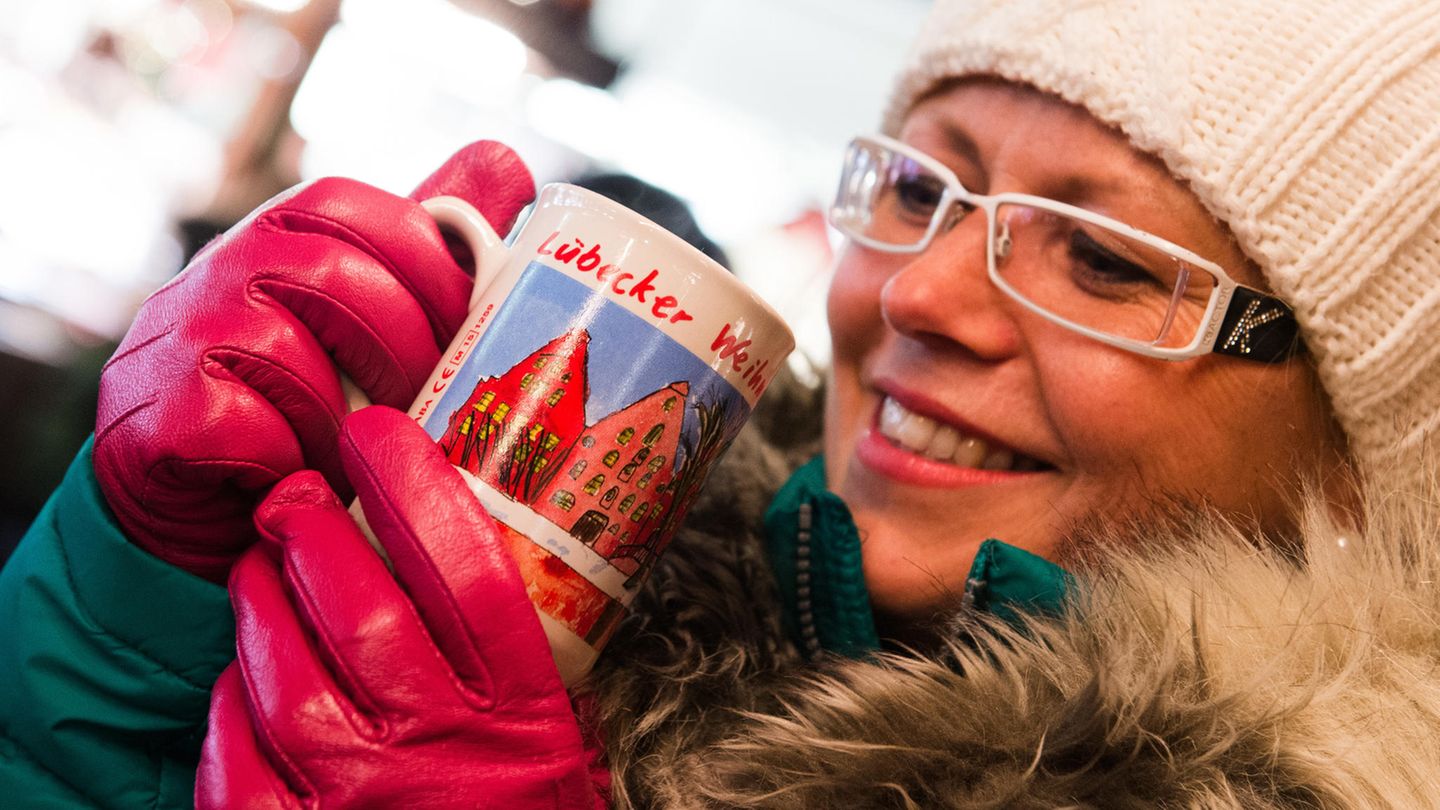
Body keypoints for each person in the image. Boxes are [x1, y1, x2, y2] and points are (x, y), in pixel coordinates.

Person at [4, 0, 1440, 805]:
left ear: (1374, 462)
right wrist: (128, 602)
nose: (920, 293)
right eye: (921, 190)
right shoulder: (652, 585)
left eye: (1108, 258)